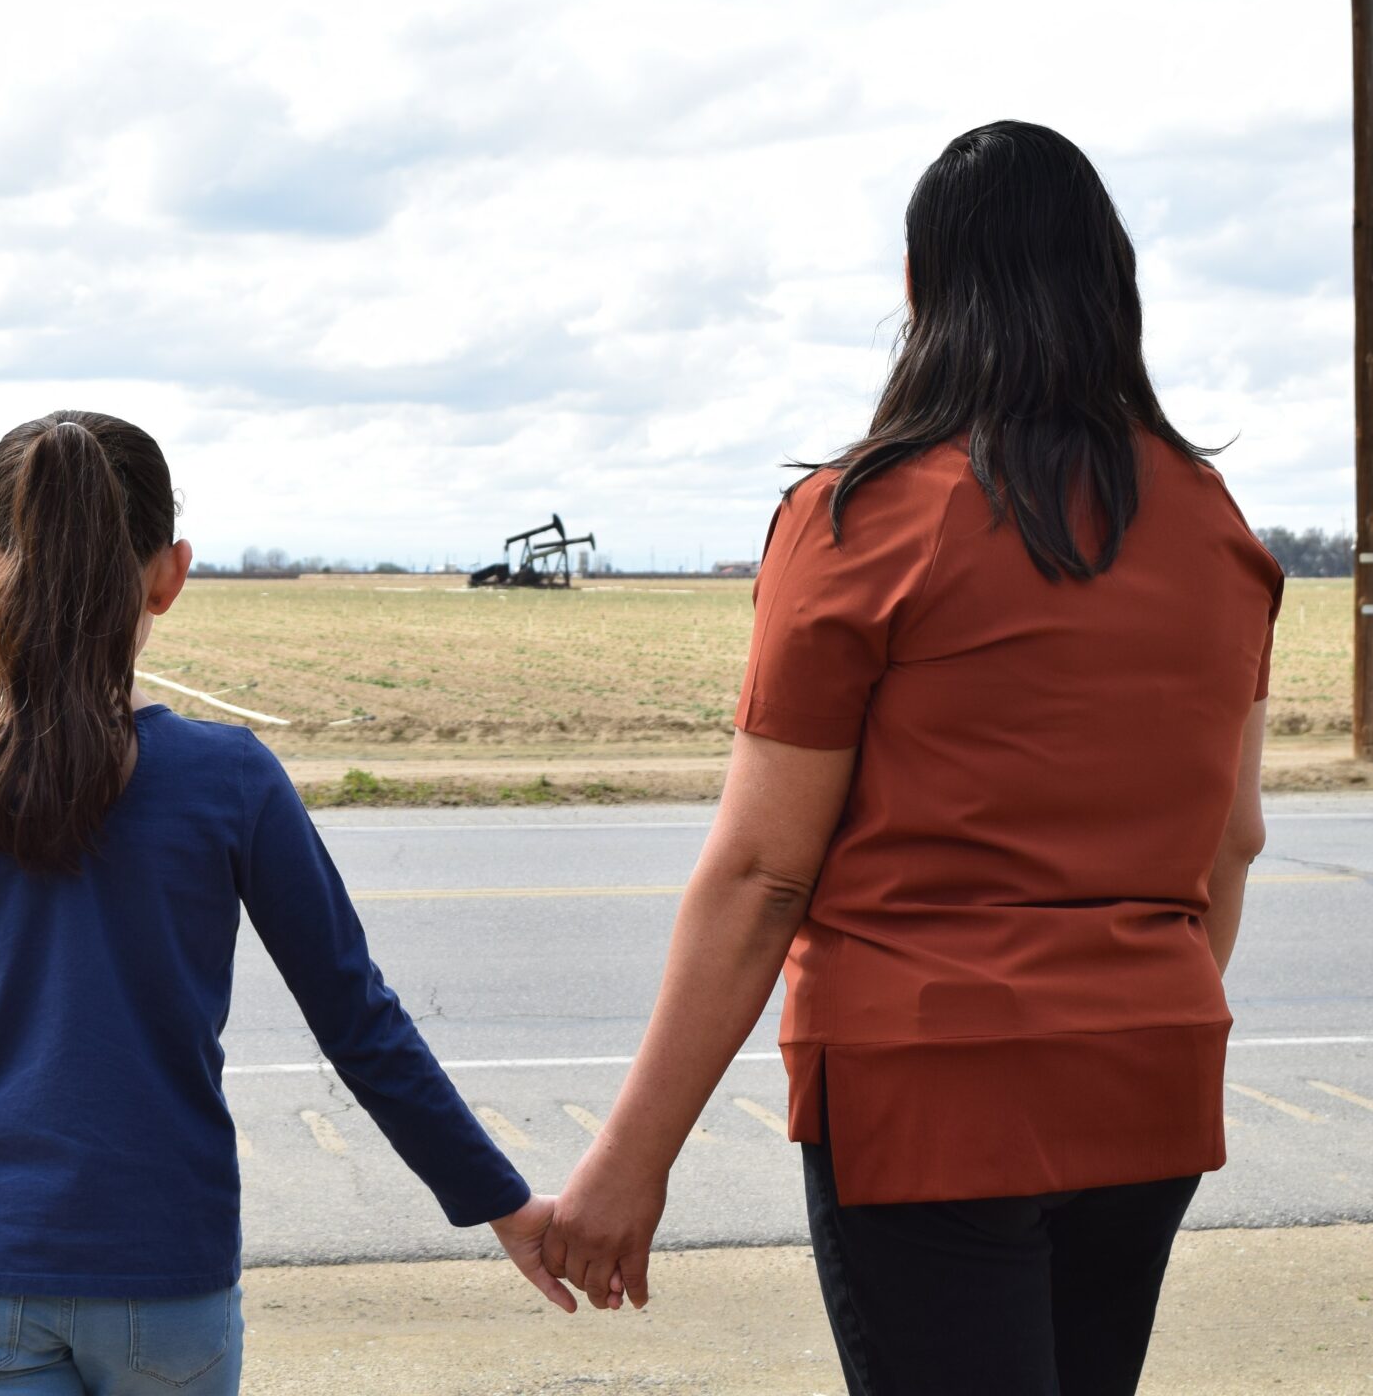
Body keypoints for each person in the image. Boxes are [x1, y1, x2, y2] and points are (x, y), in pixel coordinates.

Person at [544, 121, 1282, 1394]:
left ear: (918, 290)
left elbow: (764, 871)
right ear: (1114, 287)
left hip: (924, 1090)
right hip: (1148, 1074)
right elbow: (1230, 839)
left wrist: (631, 1154)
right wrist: (1119, 1012)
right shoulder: (1213, 523)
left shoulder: (862, 518)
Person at [0, 410, 572, 1396]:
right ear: (169, 574)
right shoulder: (230, 778)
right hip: (164, 1275)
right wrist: (502, 1202)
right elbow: (359, 1023)